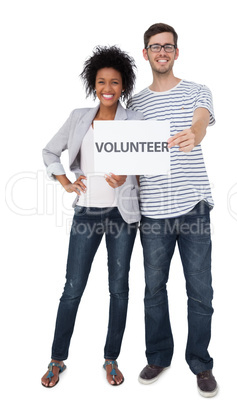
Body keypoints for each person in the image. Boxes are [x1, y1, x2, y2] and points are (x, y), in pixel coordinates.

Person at [41, 45, 143, 388]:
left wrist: (127, 175)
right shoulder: (78, 117)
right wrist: (65, 181)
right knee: (73, 287)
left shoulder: (135, 120)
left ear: (123, 86)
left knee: (119, 289)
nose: (108, 88)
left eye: (115, 82)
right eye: (102, 82)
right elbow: (50, 151)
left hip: (121, 215)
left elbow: (146, 166)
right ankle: (57, 359)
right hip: (86, 212)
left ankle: (111, 358)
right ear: (93, 84)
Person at [128, 23, 218, 397]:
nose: (161, 52)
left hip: (193, 206)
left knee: (200, 290)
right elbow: (127, 151)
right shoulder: (134, 103)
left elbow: (200, 121)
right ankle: (159, 356)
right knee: (153, 289)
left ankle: (200, 362)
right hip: (153, 212)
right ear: (145, 53)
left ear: (176, 52)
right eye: (154, 47)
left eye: (168, 46)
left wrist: (194, 133)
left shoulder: (198, 90)